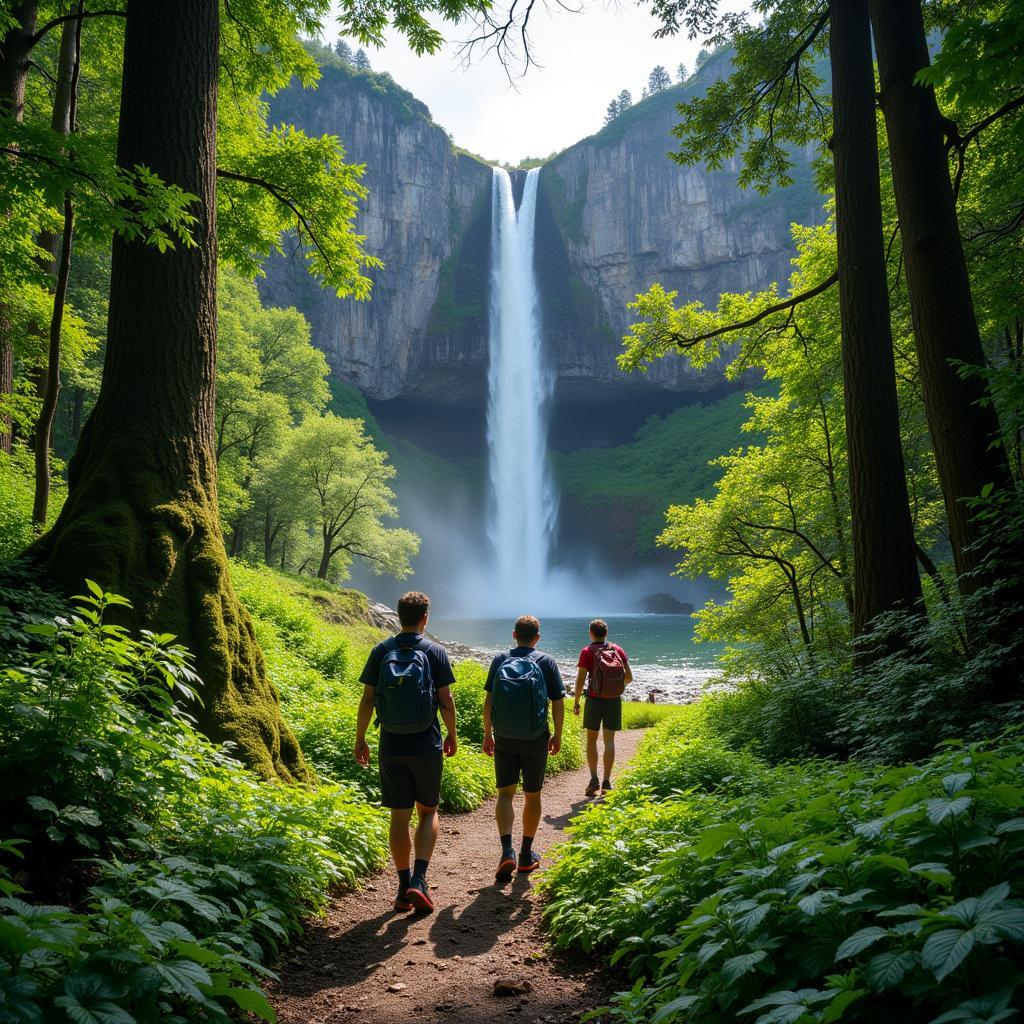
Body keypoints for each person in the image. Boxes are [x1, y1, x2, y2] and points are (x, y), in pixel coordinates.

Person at [354, 591, 458, 914]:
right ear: (425, 617)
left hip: (391, 743)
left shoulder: (381, 650)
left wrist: (361, 738)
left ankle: (402, 887)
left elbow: (368, 700)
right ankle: (419, 879)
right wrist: (452, 733)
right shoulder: (435, 652)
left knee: (399, 816)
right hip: (426, 744)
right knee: (428, 811)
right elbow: (446, 701)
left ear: (398, 616)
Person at [482, 614, 565, 881]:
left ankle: (507, 851)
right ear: (537, 638)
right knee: (532, 795)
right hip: (535, 737)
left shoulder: (500, 660)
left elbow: (489, 701)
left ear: (514, 635)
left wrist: (487, 733)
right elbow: (558, 702)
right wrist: (558, 735)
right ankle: (526, 855)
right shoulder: (546, 661)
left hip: (504, 736)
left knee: (505, 794)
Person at [574, 618, 632, 796]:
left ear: (590, 633)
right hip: (613, 701)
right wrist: (614, 688)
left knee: (591, 740)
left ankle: (594, 779)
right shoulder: (617, 650)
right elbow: (629, 677)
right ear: (606, 633)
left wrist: (576, 700)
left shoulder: (587, 651)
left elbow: (581, 679)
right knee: (609, 741)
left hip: (594, 700)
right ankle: (607, 782)